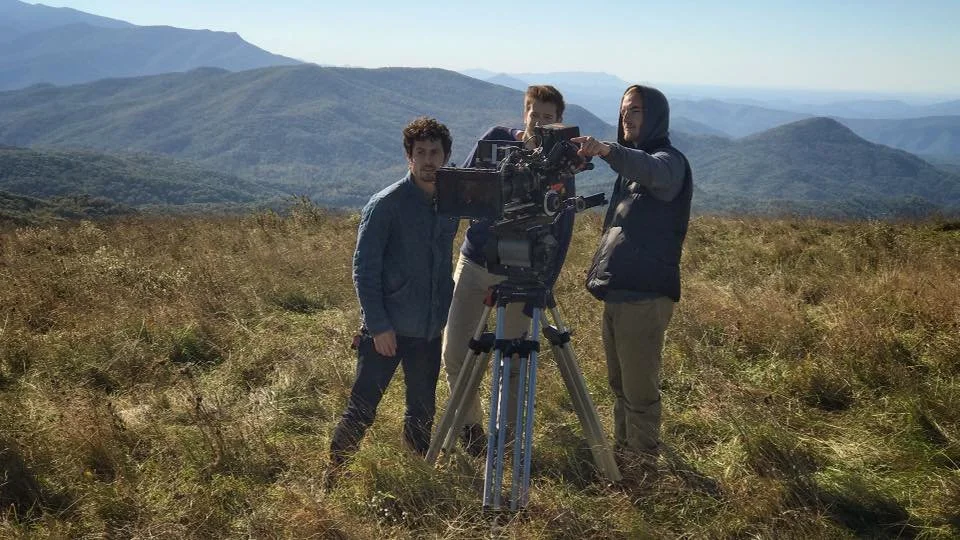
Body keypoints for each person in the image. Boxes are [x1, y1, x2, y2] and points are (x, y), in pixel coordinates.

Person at [441, 85, 575, 456]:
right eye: (534, 112)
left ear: (558, 121)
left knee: (513, 360)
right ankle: (471, 431)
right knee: (455, 353)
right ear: (524, 113)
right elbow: (460, 186)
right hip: (476, 262)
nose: (540, 121)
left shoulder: (558, 162)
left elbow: (563, 223)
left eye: (548, 116)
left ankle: (509, 441)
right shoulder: (495, 141)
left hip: (523, 273)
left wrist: (545, 283)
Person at [325, 117, 458, 485]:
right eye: (421, 153)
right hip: (387, 330)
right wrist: (379, 326)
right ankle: (333, 476)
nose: (429, 160)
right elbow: (363, 270)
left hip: (430, 328)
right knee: (363, 408)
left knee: (421, 411)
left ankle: (416, 475)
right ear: (408, 158)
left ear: (446, 156)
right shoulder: (385, 205)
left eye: (435, 152)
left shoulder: (449, 203)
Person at [573, 85, 693, 476]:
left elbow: (651, 169)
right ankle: (624, 458)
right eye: (625, 110)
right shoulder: (629, 171)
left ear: (656, 116)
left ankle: (642, 470)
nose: (628, 117)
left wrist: (608, 150)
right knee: (620, 385)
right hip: (620, 291)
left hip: (645, 295)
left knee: (639, 390)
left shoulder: (669, 163)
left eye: (637, 110)